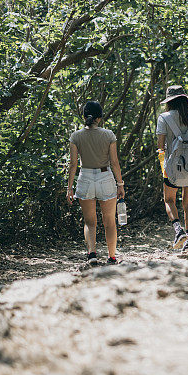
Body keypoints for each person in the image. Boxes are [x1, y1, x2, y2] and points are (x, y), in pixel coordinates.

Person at [66, 100, 125, 264]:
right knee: (109, 222)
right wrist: (120, 184)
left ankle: (92, 255)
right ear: (99, 117)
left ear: (84, 116)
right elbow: (114, 163)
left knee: (90, 222)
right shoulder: (108, 135)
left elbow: (73, 165)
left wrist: (69, 188)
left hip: (85, 178)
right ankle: (112, 257)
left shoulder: (76, 136)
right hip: (105, 177)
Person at [156, 85, 188, 250]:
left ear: (169, 102)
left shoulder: (164, 118)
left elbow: (161, 146)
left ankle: (178, 231)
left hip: (172, 167)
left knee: (169, 200)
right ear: (185, 99)